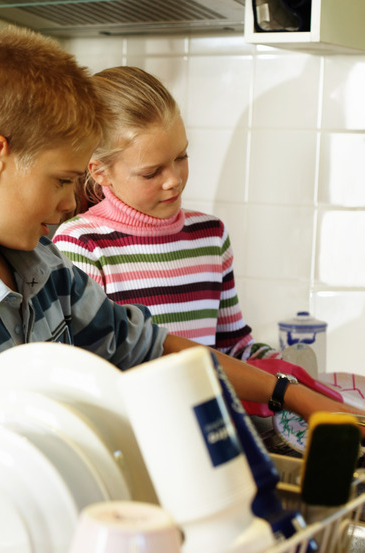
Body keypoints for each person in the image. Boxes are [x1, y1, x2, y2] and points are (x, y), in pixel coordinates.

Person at [0, 27, 362, 484]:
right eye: (62, 181)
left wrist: (293, 396)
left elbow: (152, 349)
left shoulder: (45, 271)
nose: (69, 203)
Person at [53, 66, 278, 362]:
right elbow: (84, 364)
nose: (173, 179)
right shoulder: (82, 245)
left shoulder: (210, 235)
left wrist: (280, 366)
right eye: (151, 172)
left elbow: (232, 346)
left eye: (181, 157)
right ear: (101, 172)